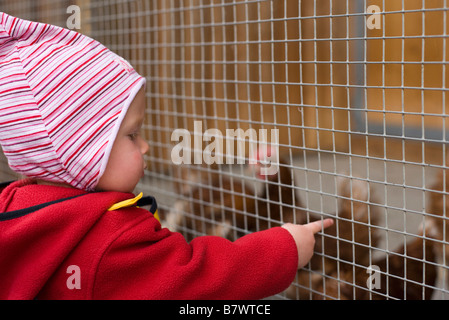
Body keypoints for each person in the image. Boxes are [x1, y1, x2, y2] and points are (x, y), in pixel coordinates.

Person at [0, 12, 333, 300]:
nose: (145, 146)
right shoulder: (112, 236)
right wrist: (283, 249)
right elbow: (196, 280)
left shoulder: (14, 207)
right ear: (81, 153)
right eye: (132, 135)